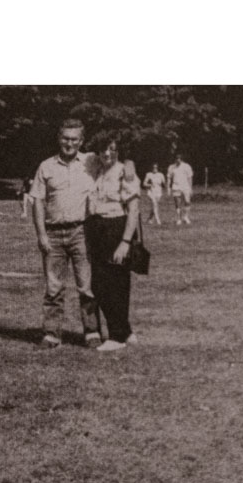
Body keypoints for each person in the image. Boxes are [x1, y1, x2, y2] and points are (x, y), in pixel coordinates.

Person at [29, 119, 100, 349]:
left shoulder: (92, 162)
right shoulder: (46, 166)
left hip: (82, 232)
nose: (69, 143)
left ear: (82, 141)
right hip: (53, 234)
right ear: (59, 139)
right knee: (53, 287)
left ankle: (91, 332)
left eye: (74, 139)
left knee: (87, 286)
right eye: (65, 138)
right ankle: (51, 334)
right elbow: (37, 201)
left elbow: (115, 168)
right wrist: (41, 234)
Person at [85, 140, 140, 352]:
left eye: (113, 149)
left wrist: (125, 242)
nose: (107, 153)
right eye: (104, 149)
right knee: (101, 283)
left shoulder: (124, 173)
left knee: (114, 283)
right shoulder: (97, 168)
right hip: (98, 228)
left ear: (119, 152)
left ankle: (116, 337)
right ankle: (125, 331)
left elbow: (134, 210)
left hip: (116, 228)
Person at [167, 153, 193, 225]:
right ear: (175, 159)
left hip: (185, 187)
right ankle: (179, 219)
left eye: (179, 158)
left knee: (187, 202)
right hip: (176, 186)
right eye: (176, 158)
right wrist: (168, 188)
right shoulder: (171, 167)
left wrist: (190, 188)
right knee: (177, 203)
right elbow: (169, 178)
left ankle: (186, 217)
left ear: (181, 159)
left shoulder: (187, 166)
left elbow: (190, 178)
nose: (178, 160)